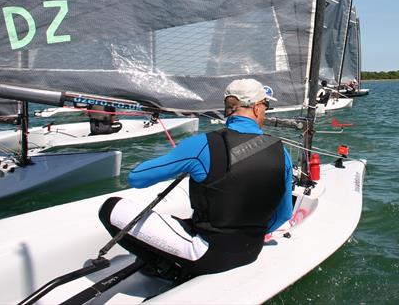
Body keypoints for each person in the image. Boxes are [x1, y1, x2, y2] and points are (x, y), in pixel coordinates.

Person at [98, 79, 293, 281]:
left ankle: (166, 270)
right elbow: (284, 213)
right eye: (266, 106)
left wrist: (188, 161)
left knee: (109, 208)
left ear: (229, 108)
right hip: (251, 251)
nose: (265, 112)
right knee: (184, 222)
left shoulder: (202, 145)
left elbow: (136, 178)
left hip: (207, 256)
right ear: (255, 108)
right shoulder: (282, 152)